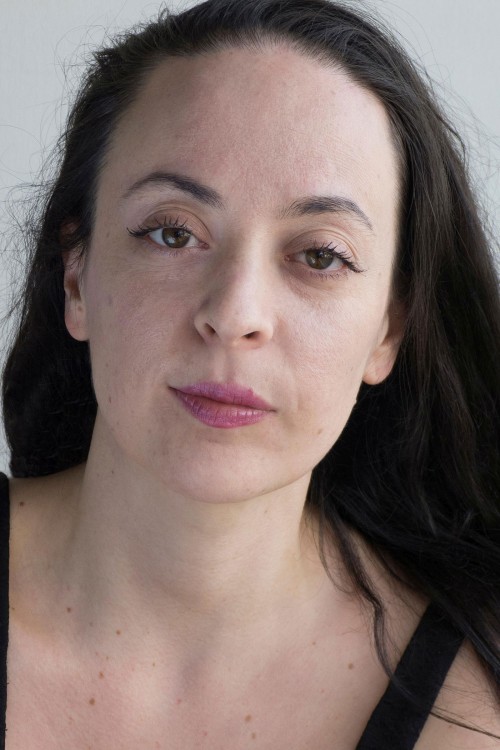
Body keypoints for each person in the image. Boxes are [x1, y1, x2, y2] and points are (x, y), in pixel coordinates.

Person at [1, 0, 499, 747]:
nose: (235, 314)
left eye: (320, 255)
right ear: (76, 277)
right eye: (173, 233)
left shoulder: (475, 712)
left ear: (388, 330)